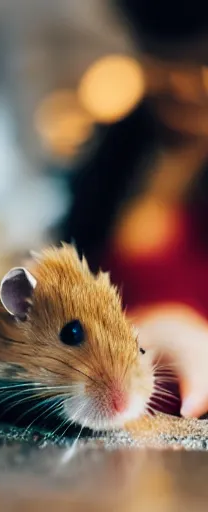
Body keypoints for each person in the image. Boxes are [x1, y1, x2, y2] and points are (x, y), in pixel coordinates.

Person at [60, 0, 208, 418]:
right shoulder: (114, 160)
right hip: (104, 414)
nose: (185, 84)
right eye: (165, 64)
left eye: (203, 64)